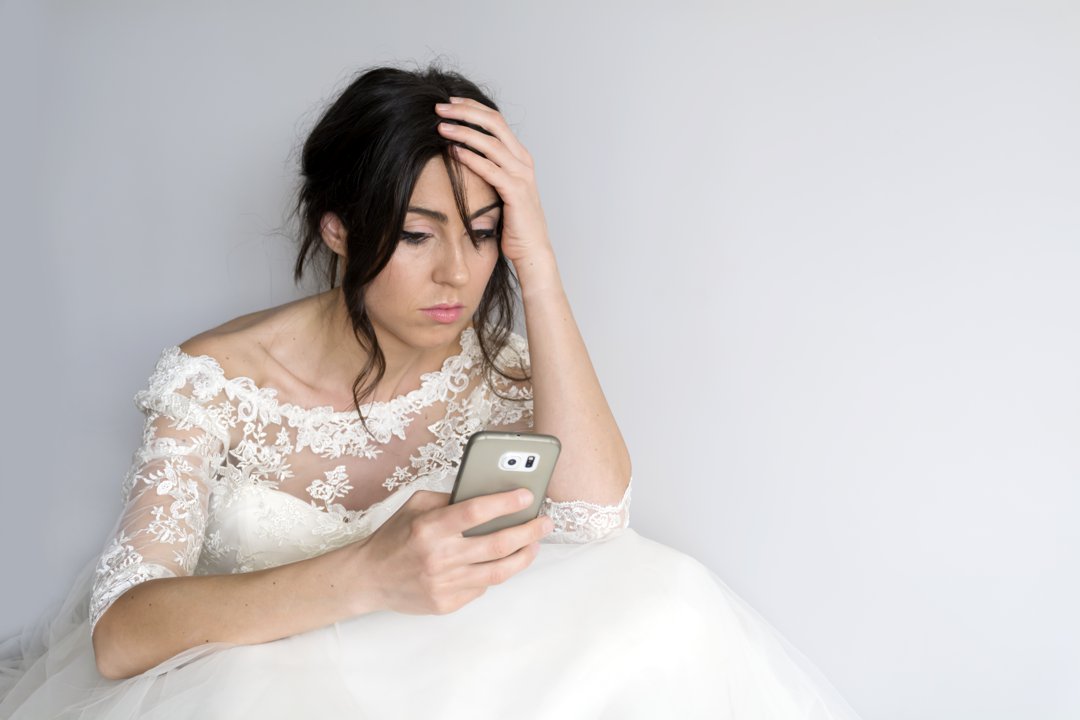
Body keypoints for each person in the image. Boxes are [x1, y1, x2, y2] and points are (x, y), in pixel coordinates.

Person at [0, 64, 864, 719]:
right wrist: (367, 576)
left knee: (668, 597)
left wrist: (541, 269)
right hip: (267, 690)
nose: (459, 272)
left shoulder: (492, 359)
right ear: (338, 227)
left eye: (485, 234)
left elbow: (599, 519)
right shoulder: (218, 379)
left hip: (448, 678)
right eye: (418, 235)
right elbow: (119, 638)